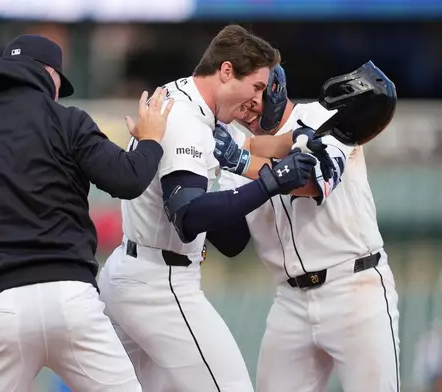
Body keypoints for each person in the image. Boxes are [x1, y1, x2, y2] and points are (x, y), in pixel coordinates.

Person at [0, 34, 174, 392]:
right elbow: (128, 179)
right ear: (49, 75)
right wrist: (152, 139)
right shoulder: (68, 121)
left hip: (0, 307)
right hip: (71, 301)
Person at [97, 25, 331, 392]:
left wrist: (250, 173)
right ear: (225, 71)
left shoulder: (188, 104)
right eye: (255, 86)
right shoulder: (187, 120)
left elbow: (230, 239)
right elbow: (189, 217)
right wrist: (271, 183)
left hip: (131, 271)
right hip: (160, 283)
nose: (258, 101)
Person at [210, 62, 401, 392]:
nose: (248, 110)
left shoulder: (322, 118)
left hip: (354, 288)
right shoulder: (233, 150)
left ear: (274, 87)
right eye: (241, 103)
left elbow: (314, 181)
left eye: (255, 97)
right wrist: (198, 181)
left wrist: (242, 162)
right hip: (290, 301)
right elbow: (232, 241)